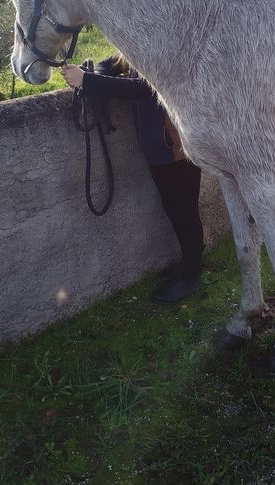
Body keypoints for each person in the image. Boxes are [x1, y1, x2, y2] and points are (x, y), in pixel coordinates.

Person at [61, 55, 204, 304]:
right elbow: (118, 63)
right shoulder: (140, 41)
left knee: (185, 211)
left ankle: (191, 276)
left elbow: (145, 87)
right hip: (158, 145)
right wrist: (95, 71)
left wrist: (88, 81)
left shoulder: (164, 43)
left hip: (177, 145)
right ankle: (189, 265)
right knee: (174, 209)